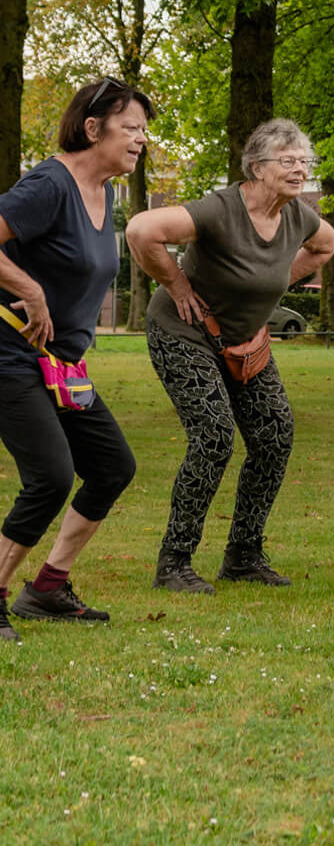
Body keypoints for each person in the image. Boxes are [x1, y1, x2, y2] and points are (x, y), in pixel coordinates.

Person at [126, 119, 334, 593]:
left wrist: (273, 287)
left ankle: (243, 554)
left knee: (274, 434)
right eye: (288, 160)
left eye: (305, 161)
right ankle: (174, 562)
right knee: (214, 435)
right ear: (257, 167)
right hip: (184, 335)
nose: (300, 168)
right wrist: (177, 284)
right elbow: (141, 229)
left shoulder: (299, 216)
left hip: (246, 343)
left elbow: (326, 246)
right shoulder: (221, 210)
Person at [0, 77, 152, 641]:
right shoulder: (49, 184)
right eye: (131, 128)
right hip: (9, 353)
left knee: (112, 467)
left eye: (144, 131)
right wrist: (31, 290)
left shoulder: (105, 191)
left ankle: (46, 590)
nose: (140, 140)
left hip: (60, 366)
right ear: (93, 128)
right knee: (51, 476)